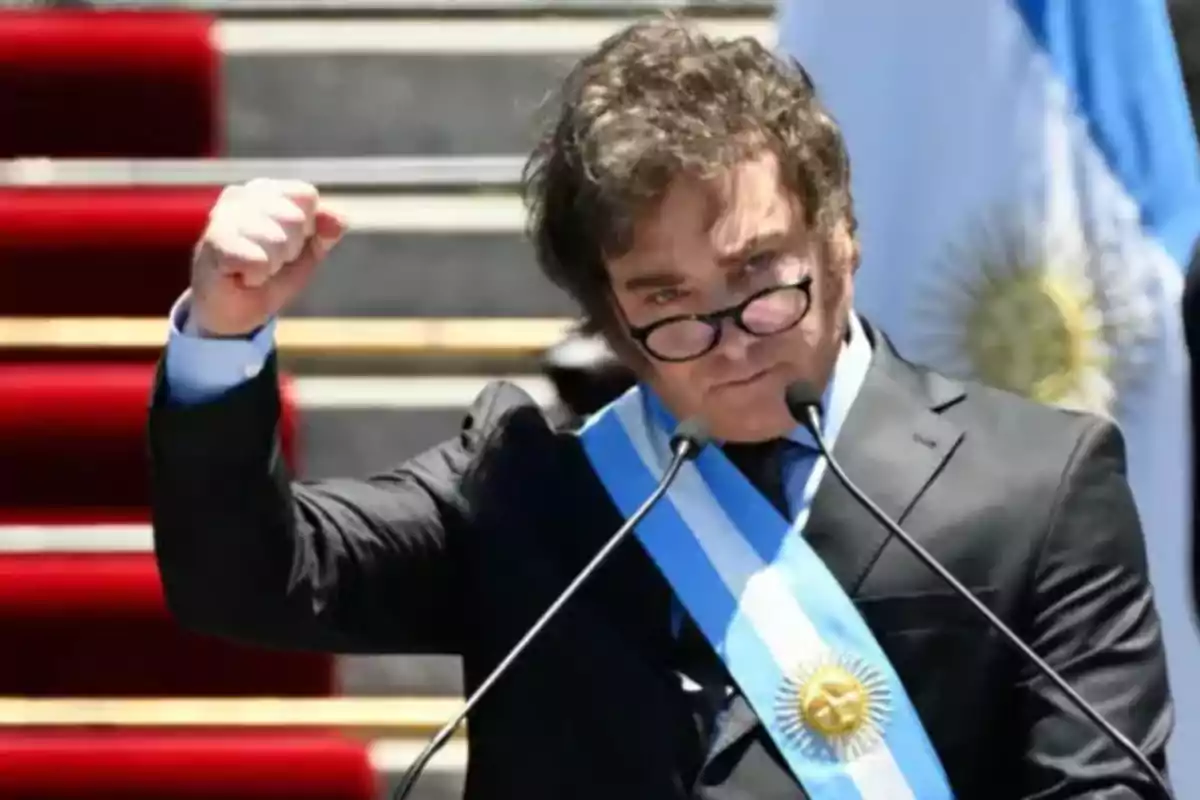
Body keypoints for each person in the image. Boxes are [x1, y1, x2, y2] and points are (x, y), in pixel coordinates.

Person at [148, 18, 1173, 799]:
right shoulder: (525, 485)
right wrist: (226, 334)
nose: (729, 339)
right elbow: (247, 578)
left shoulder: (1036, 484)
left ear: (842, 239)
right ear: (608, 318)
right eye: (667, 306)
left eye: (761, 277)